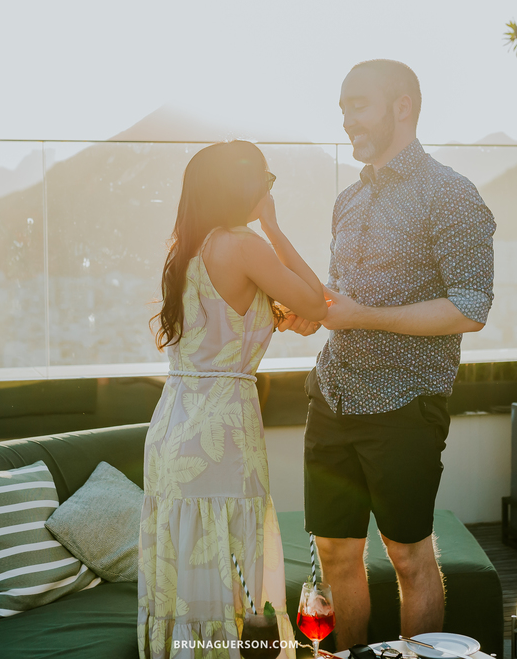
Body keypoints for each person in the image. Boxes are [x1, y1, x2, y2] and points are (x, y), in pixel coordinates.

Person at [280, 59, 495, 650]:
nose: (347, 119)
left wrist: (360, 316)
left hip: (404, 405)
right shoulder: (347, 201)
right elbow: (342, 297)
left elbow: (470, 307)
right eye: (343, 107)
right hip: (332, 396)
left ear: (403, 106)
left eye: (359, 105)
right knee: (335, 555)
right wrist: (312, 314)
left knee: (407, 557)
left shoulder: (451, 195)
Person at [139, 140, 327, 659]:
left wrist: (277, 312)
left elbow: (242, 323)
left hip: (173, 430)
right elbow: (317, 300)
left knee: (187, 581)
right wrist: (273, 225)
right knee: (234, 579)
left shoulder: (187, 252)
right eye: (264, 179)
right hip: (224, 437)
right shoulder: (243, 246)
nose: (268, 188)